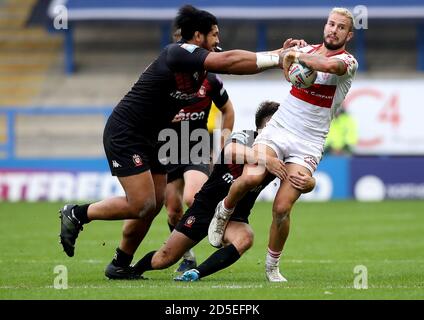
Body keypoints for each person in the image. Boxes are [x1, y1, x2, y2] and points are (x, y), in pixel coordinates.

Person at [58, 4, 302, 264]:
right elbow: (230, 62)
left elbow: (236, 61)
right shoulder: (177, 53)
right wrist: (276, 59)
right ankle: (76, 213)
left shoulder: (202, 63)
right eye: (214, 34)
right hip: (127, 133)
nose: (218, 40)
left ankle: (120, 264)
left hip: (157, 138)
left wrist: (281, 53)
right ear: (197, 36)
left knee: (154, 205)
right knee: (141, 204)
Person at [208, 7, 358, 282]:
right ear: (325, 26)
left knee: (281, 208)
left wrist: (298, 56)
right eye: (331, 24)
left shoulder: (347, 62)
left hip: (309, 142)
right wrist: (287, 59)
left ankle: (272, 266)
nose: (333, 30)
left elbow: (328, 67)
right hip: (279, 128)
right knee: (252, 177)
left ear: (348, 35)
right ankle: (224, 210)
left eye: (340, 27)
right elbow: (289, 73)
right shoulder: (308, 50)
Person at [129, 101, 316, 281]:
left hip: (235, 215)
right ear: (264, 127)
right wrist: (266, 160)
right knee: (164, 259)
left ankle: (195, 273)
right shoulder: (246, 137)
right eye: (277, 126)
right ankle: (131, 270)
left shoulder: (284, 154)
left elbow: (300, 175)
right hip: (206, 207)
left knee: (245, 237)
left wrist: (310, 183)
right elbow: (230, 152)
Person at [103, 27, 235, 277]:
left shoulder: (210, 81)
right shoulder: (164, 79)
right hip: (165, 144)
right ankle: (186, 256)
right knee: (171, 208)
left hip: (195, 143)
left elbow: (228, 110)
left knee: (192, 195)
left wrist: (221, 143)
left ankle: (220, 226)